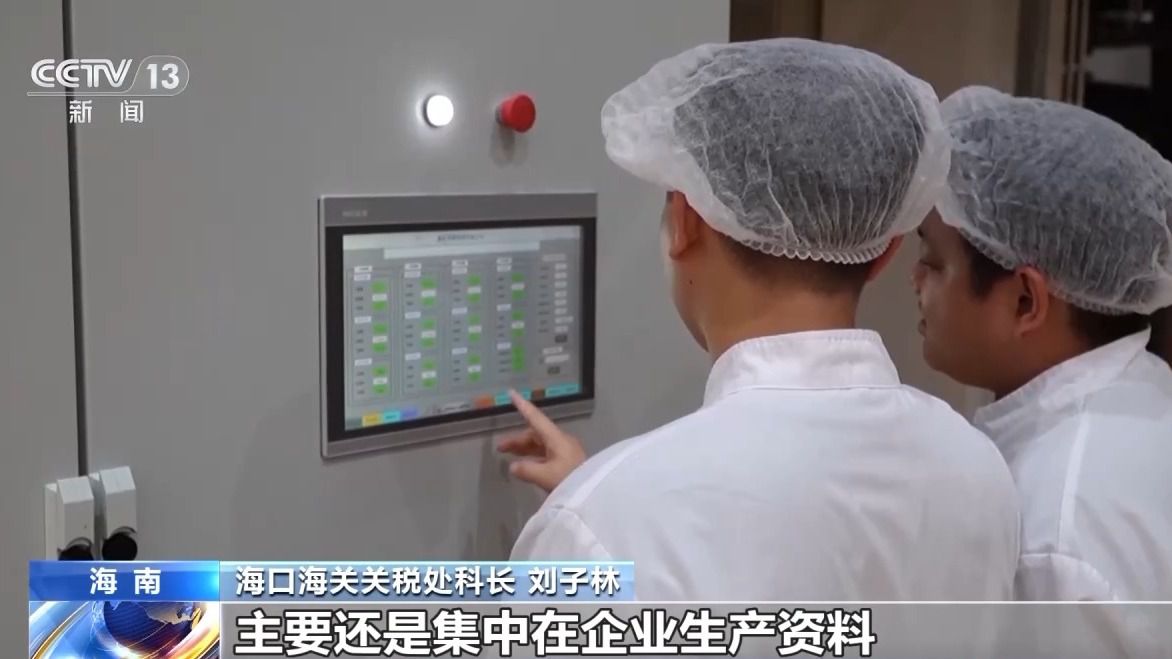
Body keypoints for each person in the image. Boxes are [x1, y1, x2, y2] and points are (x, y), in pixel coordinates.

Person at [499, 39, 1020, 601]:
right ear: (885, 252)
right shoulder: (976, 467)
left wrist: (593, 509)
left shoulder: (603, 528)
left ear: (685, 222)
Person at [913, 86, 1172, 646]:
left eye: (933, 260)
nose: (916, 279)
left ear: (1026, 301)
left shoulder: (1055, 530)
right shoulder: (1147, 397)